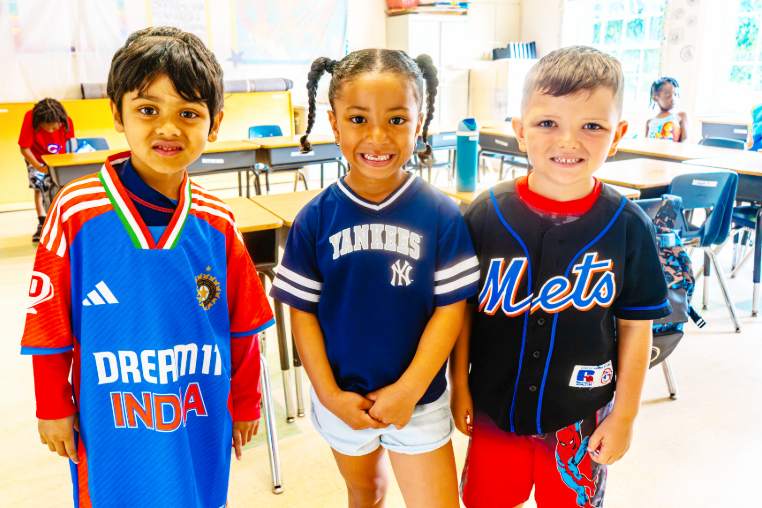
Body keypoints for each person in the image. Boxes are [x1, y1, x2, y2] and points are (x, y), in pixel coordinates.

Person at [21, 27, 274, 507]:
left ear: (215, 123)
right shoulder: (76, 211)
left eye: (188, 113)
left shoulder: (218, 222)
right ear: (117, 114)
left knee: (198, 494)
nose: (169, 128)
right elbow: (47, 321)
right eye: (148, 110)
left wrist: (245, 402)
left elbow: (243, 328)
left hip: (199, 410)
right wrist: (53, 403)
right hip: (110, 418)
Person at [451, 46, 672, 508]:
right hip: (496, 407)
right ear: (519, 131)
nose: (568, 141)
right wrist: (460, 386)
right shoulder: (486, 214)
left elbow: (637, 328)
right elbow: (463, 313)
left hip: (581, 417)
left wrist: (625, 415)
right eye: (548, 122)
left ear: (618, 135)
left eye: (592, 126)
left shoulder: (629, 226)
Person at [269, 49, 479, 508]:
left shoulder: (441, 214)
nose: (378, 137)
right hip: (342, 398)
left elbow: (451, 310)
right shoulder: (315, 218)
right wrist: (329, 396)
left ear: (419, 123)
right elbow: (302, 313)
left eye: (397, 120)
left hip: (419, 400)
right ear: (334, 124)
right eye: (358, 119)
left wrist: (409, 389)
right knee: (366, 491)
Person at [18, 98, 74, 241]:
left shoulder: (65, 121)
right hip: (36, 158)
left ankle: (64, 220)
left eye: (57, 128)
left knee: (63, 188)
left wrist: (64, 165)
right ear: (41, 123)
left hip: (58, 160)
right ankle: (42, 222)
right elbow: (24, 148)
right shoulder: (30, 118)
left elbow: (70, 145)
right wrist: (39, 167)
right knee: (39, 189)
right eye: (51, 128)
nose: (55, 130)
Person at [645, 77, 689, 142]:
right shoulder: (649, 122)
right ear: (655, 98)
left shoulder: (681, 116)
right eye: (667, 96)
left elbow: (685, 141)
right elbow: (645, 143)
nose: (673, 99)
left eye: (675, 94)